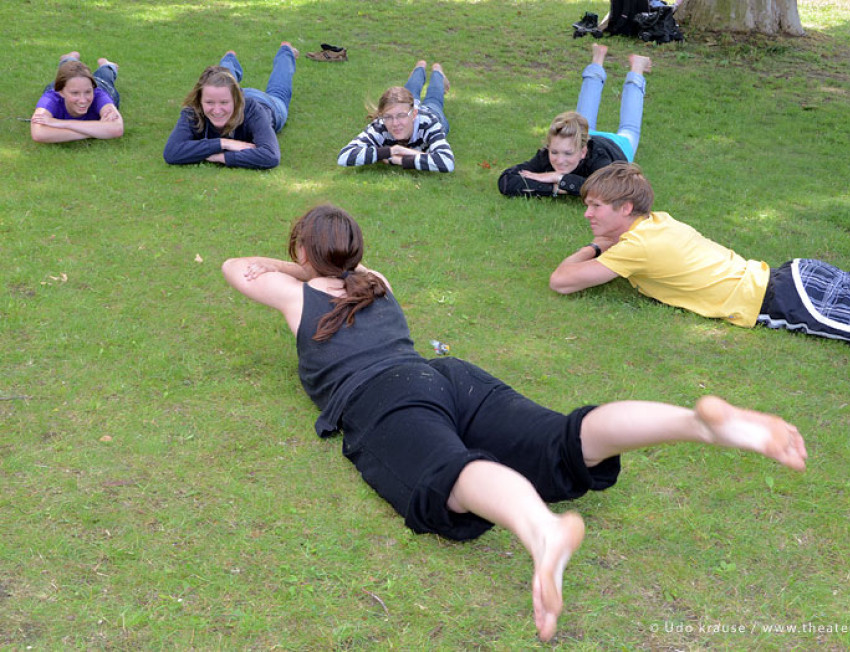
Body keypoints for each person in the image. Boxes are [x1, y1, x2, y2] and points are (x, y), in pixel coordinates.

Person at [222, 204, 808, 641]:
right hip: (447, 375)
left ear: (304, 254)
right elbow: (342, 264)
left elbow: (235, 265)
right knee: (564, 438)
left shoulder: (297, 298)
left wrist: (295, 265)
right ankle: (698, 424)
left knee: (447, 472)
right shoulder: (376, 283)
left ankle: (541, 531)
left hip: (381, 395)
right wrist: (318, 260)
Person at [550, 162, 850, 352]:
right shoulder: (658, 221)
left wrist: (598, 247)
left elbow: (561, 281)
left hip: (785, 300)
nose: (587, 214)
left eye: (596, 207)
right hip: (796, 276)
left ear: (625, 209)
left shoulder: (634, 248)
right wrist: (607, 243)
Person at [498, 44, 649, 197]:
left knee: (629, 127)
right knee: (582, 118)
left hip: (619, 144)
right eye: (554, 152)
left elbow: (608, 190)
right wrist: (553, 189)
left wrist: (558, 178)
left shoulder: (599, 160)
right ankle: (597, 59)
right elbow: (506, 181)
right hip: (583, 134)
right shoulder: (548, 155)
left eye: (568, 154)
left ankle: (637, 68)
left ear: (583, 152)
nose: (559, 160)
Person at [163, 42, 298, 170]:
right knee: (222, 80)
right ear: (200, 100)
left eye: (224, 103)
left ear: (236, 100)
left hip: (268, 103)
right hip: (228, 92)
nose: (217, 111)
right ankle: (229, 58)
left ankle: (286, 51)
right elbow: (171, 152)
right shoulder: (193, 112)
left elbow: (270, 156)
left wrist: (222, 157)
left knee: (279, 89)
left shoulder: (253, 110)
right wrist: (224, 143)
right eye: (209, 102)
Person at [337, 61, 454, 172]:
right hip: (408, 106)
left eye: (401, 116)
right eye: (388, 117)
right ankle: (420, 67)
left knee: (434, 99)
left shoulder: (429, 124)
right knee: (410, 91)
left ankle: (437, 71)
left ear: (413, 114)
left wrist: (399, 158)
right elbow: (344, 156)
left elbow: (446, 162)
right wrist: (392, 150)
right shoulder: (380, 125)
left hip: (431, 112)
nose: (395, 123)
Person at [30, 51, 124, 143]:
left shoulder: (99, 96)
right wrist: (98, 130)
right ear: (61, 92)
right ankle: (69, 57)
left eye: (88, 92)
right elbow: (38, 133)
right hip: (67, 83)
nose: (83, 100)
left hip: (100, 84)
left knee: (105, 74)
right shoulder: (51, 99)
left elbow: (117, 129)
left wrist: (61, 123)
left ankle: (107, 64)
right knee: (69, 68)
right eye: (75, 93)